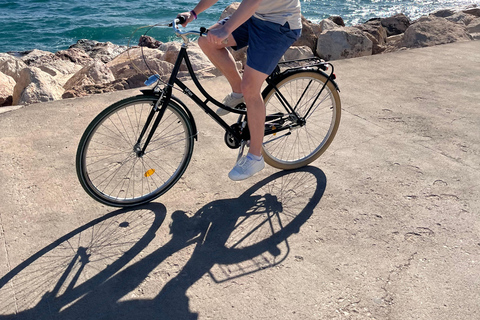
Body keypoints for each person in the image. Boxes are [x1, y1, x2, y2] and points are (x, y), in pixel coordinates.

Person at [178, 0, 302, 181]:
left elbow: (253, 1)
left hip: (279, 25)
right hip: (255, 17)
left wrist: (226, 29)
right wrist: (193, 13)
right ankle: (238, 92)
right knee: (207, 41)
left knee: (251, 87)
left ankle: (255, 156)